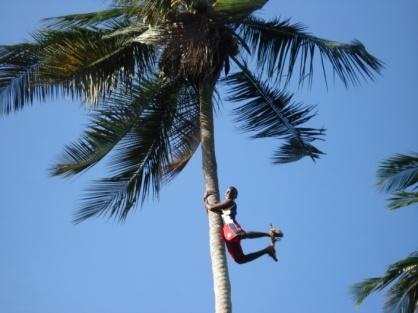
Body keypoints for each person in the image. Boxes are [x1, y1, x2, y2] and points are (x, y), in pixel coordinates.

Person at [204, 186, 283, 264]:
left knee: (239, 235)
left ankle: (269, 234)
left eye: (232, 192)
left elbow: (211, 208)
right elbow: (210, 213)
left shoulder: (230, 202)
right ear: (225, 194)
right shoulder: (223, 207)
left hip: (230, 225)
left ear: (235, 196)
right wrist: (205, 201)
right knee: (240, 259)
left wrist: (206, 201)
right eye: (227, 191)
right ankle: (267, 250)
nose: (229, 193)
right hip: (227, 231)